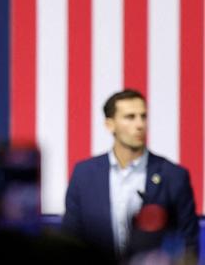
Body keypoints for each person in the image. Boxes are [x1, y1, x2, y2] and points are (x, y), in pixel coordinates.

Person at [62, 89, 199, 260]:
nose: (140, 124)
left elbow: (189, 244)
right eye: (130, 117)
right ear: (110, 125)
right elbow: (70, 240)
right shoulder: (84, 174)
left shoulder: (173, 175)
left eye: (143, 116)